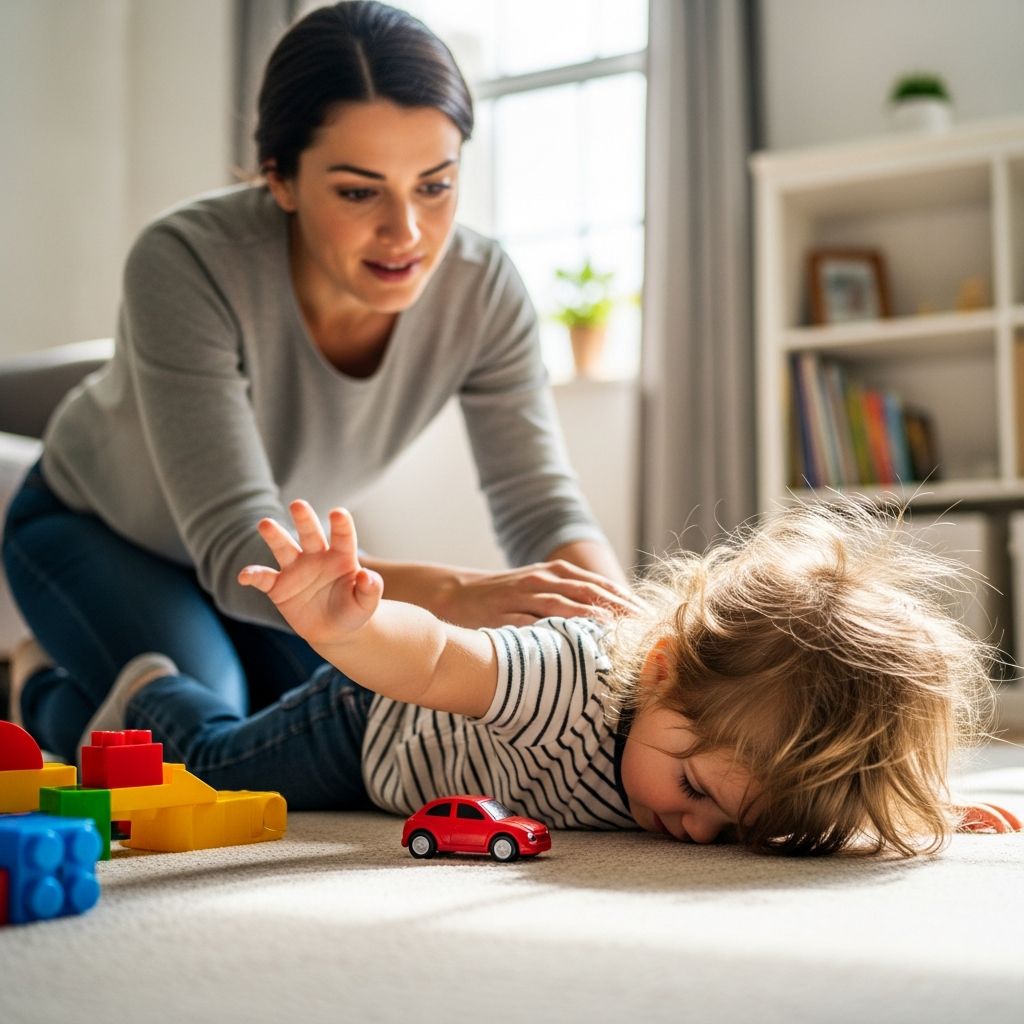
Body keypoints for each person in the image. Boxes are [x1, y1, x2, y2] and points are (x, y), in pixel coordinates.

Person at [2, 1, 633, 764]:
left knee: (334, 715)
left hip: (260, 567)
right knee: (208, 732)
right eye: (360, 191)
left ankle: (58, 684)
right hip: (92, 530)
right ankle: (31, 687)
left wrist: (621, 622)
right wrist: (463, 598)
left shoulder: (483, 288)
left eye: (435, 185)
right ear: (282, 179)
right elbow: (238, 547)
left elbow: (541, 505)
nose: (406, 233)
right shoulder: (186, 261)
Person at [77, 496, 1018, 855]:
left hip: (395, 710)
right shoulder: (566, 681)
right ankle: (149, 686)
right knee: (210, 767)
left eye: (735, 823)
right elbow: (442, 658)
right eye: (693, 788)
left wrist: (910, 807)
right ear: (661, 671)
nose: (697, 830)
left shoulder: (734, 749)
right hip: (371, 720)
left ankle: (58, 696)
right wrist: (348, 627)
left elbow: (817, 778)